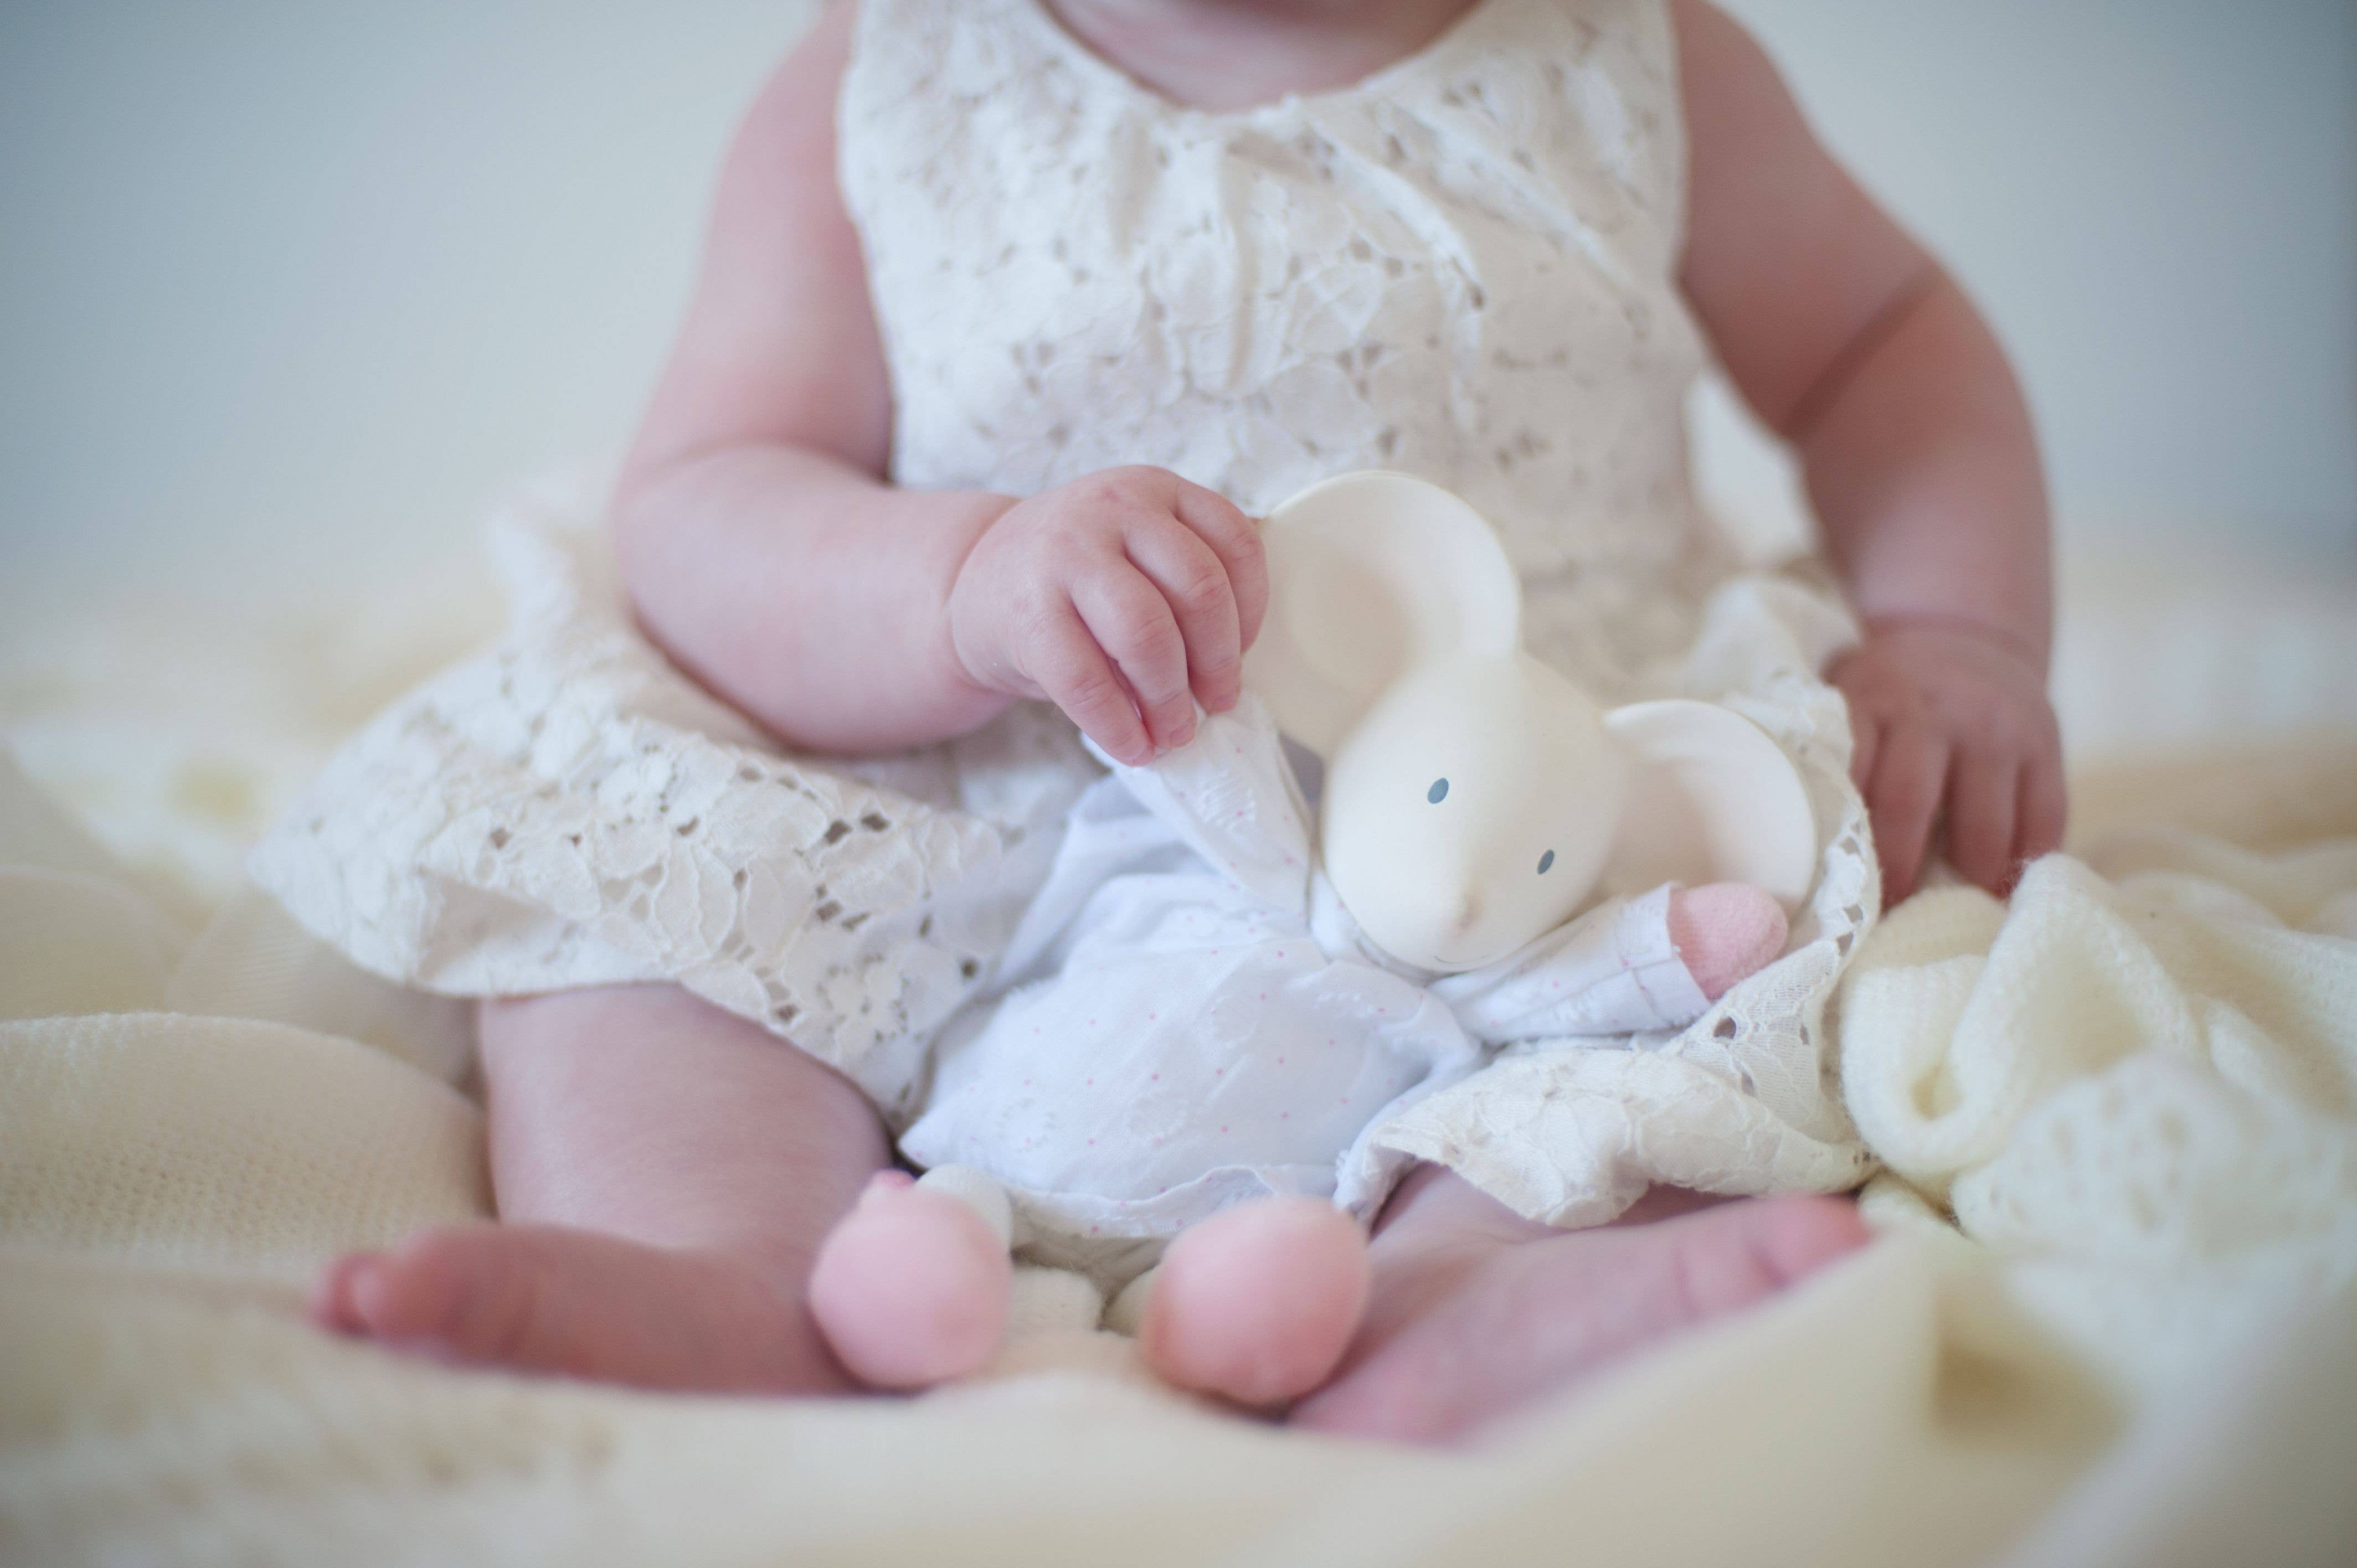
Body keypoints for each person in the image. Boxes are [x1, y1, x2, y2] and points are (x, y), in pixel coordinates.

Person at [283, 0, 2062, 1443]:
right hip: (971, 791)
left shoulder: (1637, 58)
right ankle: (718, 1261)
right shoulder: (888, 77)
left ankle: (1459, 1295)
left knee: (1764, 905)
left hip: (1510, 825)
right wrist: (964, 581)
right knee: (623, 858)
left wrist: (1954, 630)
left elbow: (1880, 343)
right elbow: (705, 494)